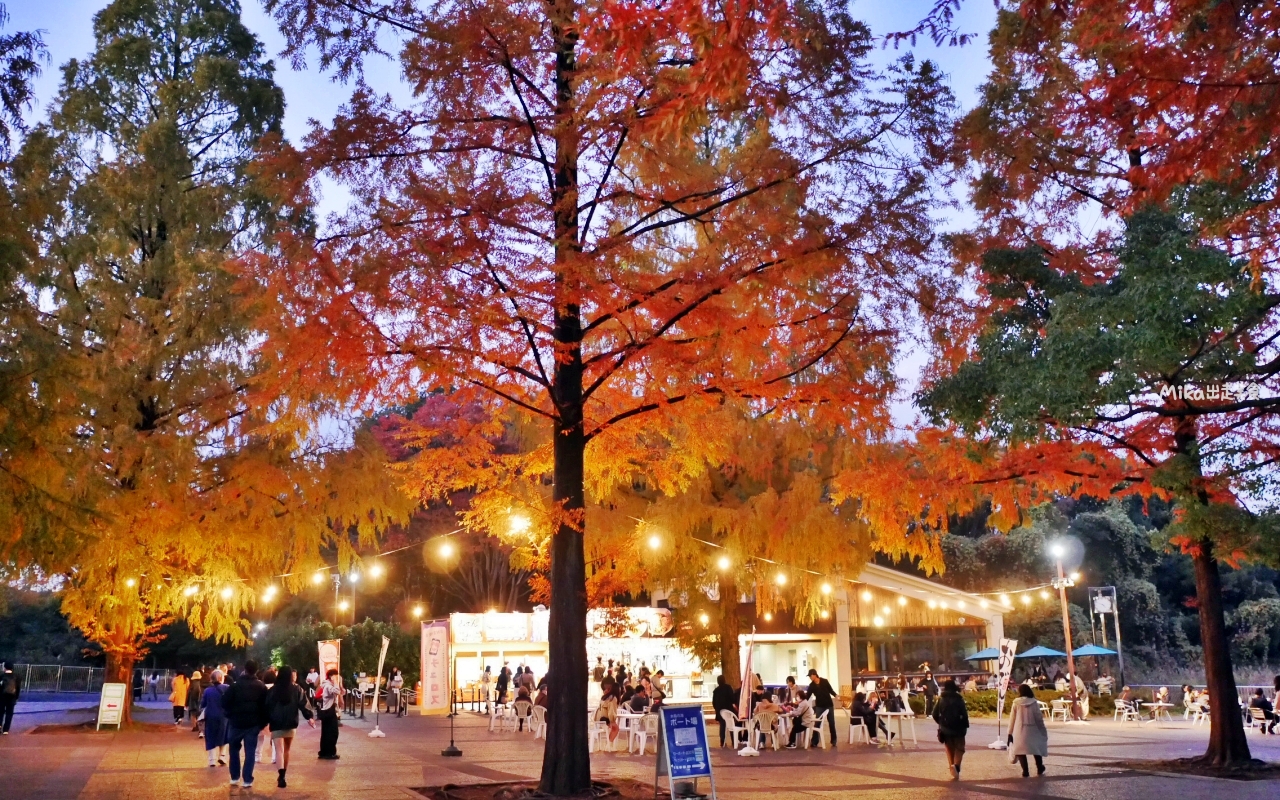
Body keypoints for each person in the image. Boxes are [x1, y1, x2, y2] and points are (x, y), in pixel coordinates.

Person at [222, 659, 269, 790]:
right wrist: (262, 723)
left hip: (236, 722)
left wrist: (230, 715)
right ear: (256, 670)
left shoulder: (235, 686)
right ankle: (247, 779)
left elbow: (224, 702)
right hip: (253, 723)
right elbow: (266, 706)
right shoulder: (261, 687)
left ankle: (235, 777)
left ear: (245, 669)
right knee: (250, 751)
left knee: (233, 750)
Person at [266, 666, 315, 788]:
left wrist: (265, 721)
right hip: (291, 722)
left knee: (279, 750)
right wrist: (309, 717)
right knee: (287, 750)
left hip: (276, 723)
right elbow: (304, 704)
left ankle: (281, 775)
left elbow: (267, 706)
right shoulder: (297, 689)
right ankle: (284, 774)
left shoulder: (272, 690)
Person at [1008, 683, 1048, 777]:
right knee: (1036, 749)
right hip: (1033, 730)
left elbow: (1012, 718)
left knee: (1020, 750)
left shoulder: (1016, 703)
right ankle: (1039, 767)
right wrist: (1042, 730)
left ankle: (1025, 771)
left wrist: (1010, 733)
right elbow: (1039, 718)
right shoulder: (1034, 703)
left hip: (1019, 730)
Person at [932, 679, 969, 780]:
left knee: (949, 749)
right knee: (960, 748)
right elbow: (964, 714)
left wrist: (941, 723)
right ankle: (956, 766)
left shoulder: (941, 699)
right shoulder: (959, 699)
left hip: (946, 729)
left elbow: (934, 714)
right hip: (959, 728)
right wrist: (965, 725)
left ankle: (952, 768)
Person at [201, 669, 230, 767]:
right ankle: (222, 756)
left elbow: (203, 704)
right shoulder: (227, 688)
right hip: (224, 716)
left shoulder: (207, 690)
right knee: (224, 735)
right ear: (221, 678)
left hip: (210, 715)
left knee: (210, 736)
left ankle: (212, 759)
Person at [806, 669, 838, 748]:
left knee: (831, 723)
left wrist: (836, 695)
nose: (810, 677)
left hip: (829, 705)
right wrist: (801, 701)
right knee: (817, 723)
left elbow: (830, 690)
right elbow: (807, 696)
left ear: (814, 674)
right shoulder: (811, 685)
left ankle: (834, 740)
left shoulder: (824, 681)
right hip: (819, 706)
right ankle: (814, 741)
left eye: (810, 676)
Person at [318, 669, 343, 759]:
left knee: (326, 733)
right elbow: (337, 691)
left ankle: (325, 752)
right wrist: (336, 682)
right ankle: (330, 753)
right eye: (335, 676)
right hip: (329, 711)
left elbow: (340, 691)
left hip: (328, 711)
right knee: (332, 733)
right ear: (331, 676)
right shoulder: (328, 686)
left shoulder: (327, 685)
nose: (337, 678)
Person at [595, 677, 621, 750]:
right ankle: (608, 745)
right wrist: (612, 721)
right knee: (616, 728)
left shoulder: (605, 697)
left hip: (598, 718)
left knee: (612, 728)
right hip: (604, 719)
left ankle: (608, 745)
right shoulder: (613, 698)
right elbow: (611, 712)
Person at [711, 675, 737, 747]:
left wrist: (717, 709)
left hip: (720, 711)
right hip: (728, 710)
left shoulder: (716, 690)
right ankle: (734, 740)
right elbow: (732, 699)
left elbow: (714, 702)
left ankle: (722, 741)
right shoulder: (728, 688)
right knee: (731, 724)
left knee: (722, 726)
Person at [0, 662, 19, 735]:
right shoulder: (16, 677)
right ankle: (6, 730)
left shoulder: (2, 676)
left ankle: (0, 725)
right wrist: (16, 697)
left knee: (0, 712)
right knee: (9, 713)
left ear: (5, 667)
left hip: (2, 697)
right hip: (12, 697)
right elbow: (18, 688)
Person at [188, 667, 204, 732]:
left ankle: (195, 726)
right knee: (197, 714)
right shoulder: (200, 684)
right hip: (198, 702)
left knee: (193, 714)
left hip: (193, 702)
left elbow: (193, 694)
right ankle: (197, 726)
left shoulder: (194, 684)